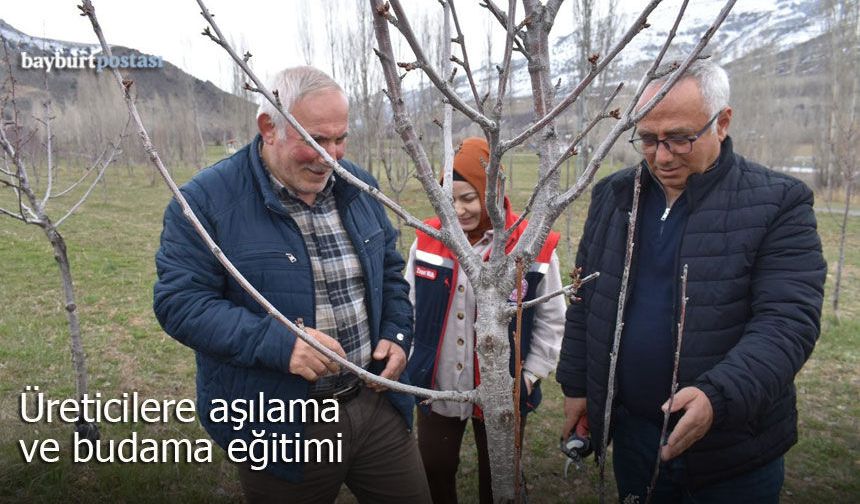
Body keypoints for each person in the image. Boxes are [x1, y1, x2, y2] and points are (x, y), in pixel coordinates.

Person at [153, 66, 431, 504]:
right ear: (269, 128)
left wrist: (397, 334)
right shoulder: (205, 201)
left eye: (340, 139)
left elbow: (390, 272)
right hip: (279, 423)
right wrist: (281, 344)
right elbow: (180, 303)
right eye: (316, 139)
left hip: (375, 404)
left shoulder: (358, 186)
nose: (331, 156)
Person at [556, 59, 826, 503]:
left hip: (733, 449)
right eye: (647, 138)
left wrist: (718, 397)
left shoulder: (779, 203)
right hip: (635, 437)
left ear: (722, 122)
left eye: (680, 138)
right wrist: (578, 387)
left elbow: (787, 323)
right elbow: (588, 299)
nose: (662, 156)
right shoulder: (614, 195)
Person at [405, 137, 566, 503]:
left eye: (469, 198)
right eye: (451, 199)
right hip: (439, 383)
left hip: (503, 390)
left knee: (499, 477)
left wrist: (530, 374)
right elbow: (408, 305)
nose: (459, 210)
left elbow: (551, 320)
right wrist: (415, 361)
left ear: (492, 191)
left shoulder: (531, 245)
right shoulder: (428, 240)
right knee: (434, 468)